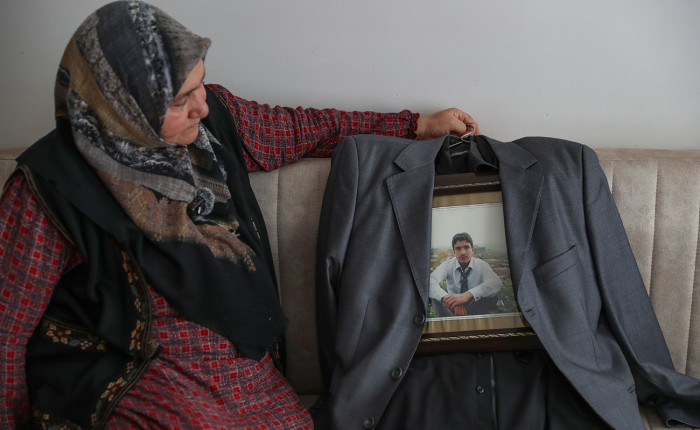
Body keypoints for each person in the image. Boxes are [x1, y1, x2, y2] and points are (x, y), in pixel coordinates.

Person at [0, 1, 480, 428]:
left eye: (200, 84)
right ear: (123, 107)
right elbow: (7, 327)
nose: (202, 106)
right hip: (134, 374)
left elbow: (306, 128)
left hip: (242, 370)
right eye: (180, 100)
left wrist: (415, 126)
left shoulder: (214, 125)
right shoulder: (49, 186)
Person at [429, 232, 502, 316]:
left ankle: (473, 321)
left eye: (466, 247)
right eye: (458, 248)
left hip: (474, 305)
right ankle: (450, 322)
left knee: (491, 294)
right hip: (451, 308)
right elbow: (430, 282)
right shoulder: (447, 265)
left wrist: (466, 296)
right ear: (454, 251)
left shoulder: (481, 265)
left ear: (472, 249)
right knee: (433, 288)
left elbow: (496, 282)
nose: (463, 252)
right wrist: (452, 301)